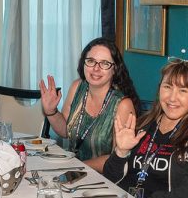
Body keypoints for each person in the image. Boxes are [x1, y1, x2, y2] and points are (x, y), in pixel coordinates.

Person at [102, 57, 188, 198]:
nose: (172, 98)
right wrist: (120, 152)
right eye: (167, 87)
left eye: (183, 90)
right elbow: (110, 178)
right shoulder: (144, 124)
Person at [39, 38, 139, 172]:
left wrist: (75, 166)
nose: (96, 68)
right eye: (91, 61)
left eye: (104, 63)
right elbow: (65, 131)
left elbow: (118, 158)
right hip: (72, 171)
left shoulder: (123, 105)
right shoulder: (77, 87)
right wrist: (51, 111)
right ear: (83, 64)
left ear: (115, 69)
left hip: (105, 178)